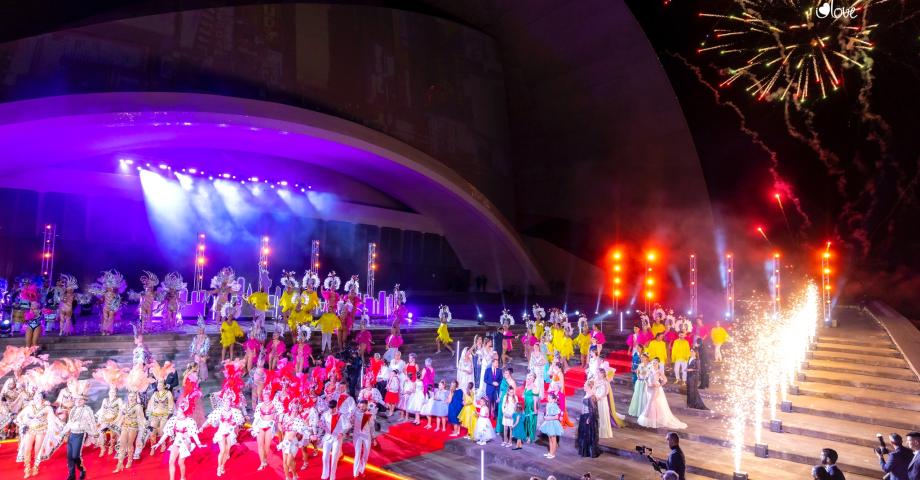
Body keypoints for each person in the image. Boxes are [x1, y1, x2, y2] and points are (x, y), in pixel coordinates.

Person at [152, 398, 203, 480]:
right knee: (171, 462)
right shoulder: (173, 420)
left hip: (186, 442)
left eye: (180, 412)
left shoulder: (189, 421)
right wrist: (158, 443)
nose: (177, 413)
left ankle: (183, 477)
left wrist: (199, 443)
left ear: (184, 413)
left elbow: (194, 434)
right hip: (177, 442)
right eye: (178, 411)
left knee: (180, 462)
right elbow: (166, 434)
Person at [637, 359, 687, 429]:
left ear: (658, 364)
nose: (654, 364)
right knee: (653, 402)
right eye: (653, 363)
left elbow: (665, 380)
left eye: (656, 363)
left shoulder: (659, 371)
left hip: (655, 388)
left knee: (651, 402)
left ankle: (647, 417)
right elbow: (645, 378)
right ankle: (654, 418)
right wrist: (647, 384)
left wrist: (659, 385)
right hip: (649, 388)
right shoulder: (649, 370)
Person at [320, 399, 351, 480]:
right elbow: (321, 422)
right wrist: (320, 424)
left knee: (334, 458)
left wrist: (342, 433)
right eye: (330, 408)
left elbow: (348, 425)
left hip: (337, 438)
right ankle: (325, 474)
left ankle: (332, 476)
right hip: (327, 437)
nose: (331, 410)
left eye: (332, 408)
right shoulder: (325, 414)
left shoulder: (341, 415)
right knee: (325, 457)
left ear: (336, 407)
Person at [352, 399, 376, 479]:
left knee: (366, 454)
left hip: (366, 435)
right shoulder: (355, 412)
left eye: (363, 406)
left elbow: (372, 426)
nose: (361, 408)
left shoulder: (370, 414)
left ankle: (362, 470)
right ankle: (355, 474)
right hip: (357, 435)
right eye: (360, 406)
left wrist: (374, 438)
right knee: (357, 453)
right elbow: (350, 422)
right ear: (359, 405)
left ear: (366, 405)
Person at [576, 380, 600, 458]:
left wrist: (589, 419)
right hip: (584, 416)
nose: (584, 386)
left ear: (589, 387)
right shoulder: (587, 394)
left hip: (587, 417)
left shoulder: (591, 397)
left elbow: (592, 410)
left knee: (588, 434)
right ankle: (585, 450)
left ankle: (588, 451)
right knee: (584, 434)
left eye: (585, 386)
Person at [540, 392, 563, 459]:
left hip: (553, 423)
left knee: (553, 438)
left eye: (550, 398)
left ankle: (553, 453)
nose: (548, 399)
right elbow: (547, 413)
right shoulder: (548, 404)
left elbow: (556, 417)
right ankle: (550, 452)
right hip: (548, 422)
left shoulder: (555, 406)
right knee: (549, 438)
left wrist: (548, 418)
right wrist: (545, 417)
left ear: (553, 400)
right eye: (548, 398)